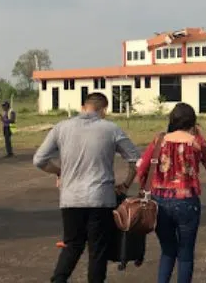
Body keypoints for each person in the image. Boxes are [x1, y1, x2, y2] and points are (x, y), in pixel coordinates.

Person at [32, 92, 142, 283]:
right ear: (104, 110)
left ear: (83, 107)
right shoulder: (111, 129)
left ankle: (58, 279)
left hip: (71, 198)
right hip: (101, 199)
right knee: (97, 250)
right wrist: (125, 185)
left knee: (72, 245)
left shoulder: (61, 127)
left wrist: (60, 172)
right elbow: (136, 159)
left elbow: (39, 160)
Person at [135, 103, 206, 283]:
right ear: (192, 121)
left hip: (160, 201)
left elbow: (141, 167)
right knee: (186, 252)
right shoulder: (196, 142)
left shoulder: (159, 140)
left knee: (167, 250)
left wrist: (145, 186)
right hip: (187, 201)